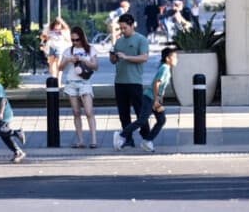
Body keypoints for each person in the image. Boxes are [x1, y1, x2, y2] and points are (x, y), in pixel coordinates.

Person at [114, 47, 178, 153]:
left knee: (161, 120)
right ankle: (121, 135)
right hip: (150, 98)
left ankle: (147, 141)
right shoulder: (164, 68)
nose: (176, 60)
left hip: (155, 98)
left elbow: (161, 86)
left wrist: (160, 98)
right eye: (174, 57)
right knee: (142, 120)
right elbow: (157, 83)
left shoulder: (166, 69)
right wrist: (157, 99)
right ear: (167, 58)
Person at [108, 13, 149, 148]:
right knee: (123, 113)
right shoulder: (119, 41)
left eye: (125, 28)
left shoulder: (141, 39)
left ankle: (146, 137)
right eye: (120, 28)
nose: (122, 31)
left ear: (132, 25)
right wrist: (113, 57)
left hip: (134, 81)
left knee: (139, 111)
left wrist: (126, 57)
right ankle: (128, 139)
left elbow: (144, 58)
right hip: (120, 81)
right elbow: (113, 61)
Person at [58, 26, 99, 148]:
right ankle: (80, 140)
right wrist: (68, 60)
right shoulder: (68, 51)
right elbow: (60, 68)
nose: (75, 42)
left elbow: (95, 66)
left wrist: (83, 60)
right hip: (71, 82)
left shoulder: (90, 50)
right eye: (72, 40)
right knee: (76, 112)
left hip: (84, 82)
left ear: (82, 38)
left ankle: (94, 139)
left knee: (88, 111)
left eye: (77, 40)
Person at [0, 65, 27, 163]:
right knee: (4, 135)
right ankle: (18, 152)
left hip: (6, 114)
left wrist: (1, 113)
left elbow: (3, 100)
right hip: (3, 114)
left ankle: (17, 132)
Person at [41, 17, 71, 87]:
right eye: (55, 26)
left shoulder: (65, 30)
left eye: (58, 25)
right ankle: (53, 79)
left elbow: (69, 40)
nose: (57, 27)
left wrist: (62, 34)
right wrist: (47, 36)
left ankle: (58, 81)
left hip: (60, 48)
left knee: (58, 65)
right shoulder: (49, 29)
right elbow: (42, 37)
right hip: (51, 47)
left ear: (61, 25)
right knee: (51, 65)